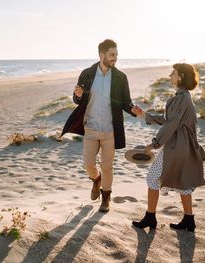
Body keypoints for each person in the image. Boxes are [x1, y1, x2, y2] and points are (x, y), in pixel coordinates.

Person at [61, 39, 137, 212]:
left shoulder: (120, 77)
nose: (115, 58)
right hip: (91, 127)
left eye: (116, 55)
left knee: (107, 166)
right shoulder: (87, 74)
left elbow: (126, 102)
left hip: (111, 129)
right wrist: (77, 95)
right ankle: (96, 179)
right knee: (88, 164)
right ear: (101, 55)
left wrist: (134, 110)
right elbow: (78, 99)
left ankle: (106, 198)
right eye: (112, 55)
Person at [131, 63, 205, 231]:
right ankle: (189, 220)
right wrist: (144, 115)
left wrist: (155, 143)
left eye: (173, 73)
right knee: (183, 182)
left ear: (180, 77)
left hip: (178, 146)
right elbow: (168, 120)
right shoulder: (182, 96)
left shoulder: (182, 98)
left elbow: (171, 124)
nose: (170, 76)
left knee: (152, 178)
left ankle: (150, 218)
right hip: (184, 146)